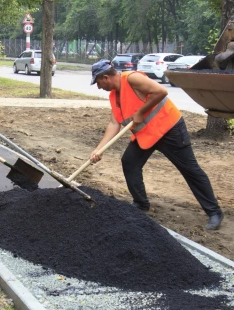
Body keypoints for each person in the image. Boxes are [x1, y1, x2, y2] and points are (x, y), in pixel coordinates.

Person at [89, 59, 224, 230]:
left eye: (98, 82)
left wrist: (140, 112)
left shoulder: (132, 79)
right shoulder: (114, 96)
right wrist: (99, 149)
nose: (98, 87)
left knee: (189, 169)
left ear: (106, 77)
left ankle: (214, 212)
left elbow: (160, 91)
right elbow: (114, 124)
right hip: (146, 135)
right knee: (130, 162)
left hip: (168, 129)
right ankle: (140, 204)